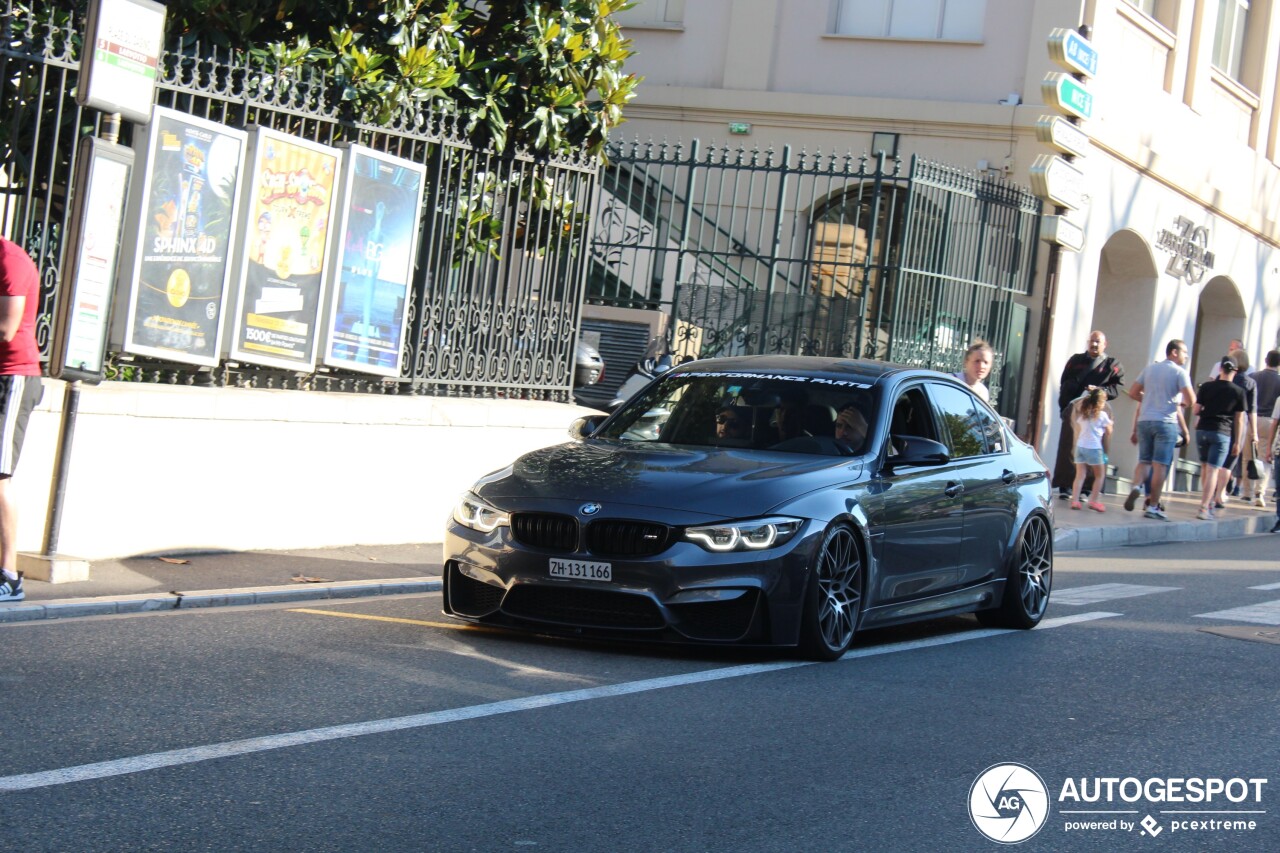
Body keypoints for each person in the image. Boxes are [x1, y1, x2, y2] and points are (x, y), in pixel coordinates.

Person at [0, 238, 45, 602]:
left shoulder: (10, 261)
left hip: (12, 377)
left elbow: (6, 328)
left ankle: (9, 576)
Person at [1124, 339, 1195, 521]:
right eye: (1184, 352)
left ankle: (1136, 486)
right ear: (1174, 352)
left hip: (1145, 420)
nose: (1186, 356)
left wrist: (1149, 399)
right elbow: (1191, 399)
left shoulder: (1149, 369)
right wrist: (1181, 403)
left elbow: (1132, 392)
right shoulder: (1180, 372)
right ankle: (1153, 506)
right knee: (1160, 465)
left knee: (1144, 460)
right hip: (1165, 422)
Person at [1052, 331, 1125, 499]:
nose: (1094, 345)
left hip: (1098, 410)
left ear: (1105, 344)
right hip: (1076, 409)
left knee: (1097, 446)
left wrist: (1100, 391)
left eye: (1098, 342)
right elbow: (1064, 383)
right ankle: (1065, 485)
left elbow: (1117, 386)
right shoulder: (1076, 361)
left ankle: (1087, 488)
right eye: (1092, 341)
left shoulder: (1112, 365)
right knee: (1069, 445)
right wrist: (1065, 406)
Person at [1193, 358, 1247, 520]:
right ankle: (1204, 506)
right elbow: (1239, 419)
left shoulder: (1207, 387)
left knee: (1204, 467)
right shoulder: (1238, 392)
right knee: (1213, 469)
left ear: (1220, 369)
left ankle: (1206, 502)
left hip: (1202, 429)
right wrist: (1237, 441)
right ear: (1235, 372)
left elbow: (1196, 410)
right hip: (1222, 432)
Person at [1214, 348, 1257, 508]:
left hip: (1219, 422)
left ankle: (1214, 491)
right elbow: (1251, 410)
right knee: (1230, 461)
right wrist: (1254, 432)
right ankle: (1220, 492)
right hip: (1239, 425)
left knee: (1216, 460)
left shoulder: (1222, 377)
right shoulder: (1250, 383)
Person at [1245, 350, 1280, 507]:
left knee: (1248, 455)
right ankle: (1260, 492)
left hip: (1252, 418)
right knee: (1265, 458)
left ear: (1266, 360)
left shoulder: (1253, 377)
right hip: (1270, 420)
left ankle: (1247, 492)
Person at [1069, 388, 1111, 512]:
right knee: (1100, 475)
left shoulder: (1084, 413)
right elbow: (1109, 431)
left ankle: (1075, 501)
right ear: (1101, 402)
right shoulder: (1102, 415)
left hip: (1080, 446)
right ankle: (1093, 501)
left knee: (1080, 475)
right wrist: (1110, 425)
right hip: (1094, 447)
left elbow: (1078, 424)